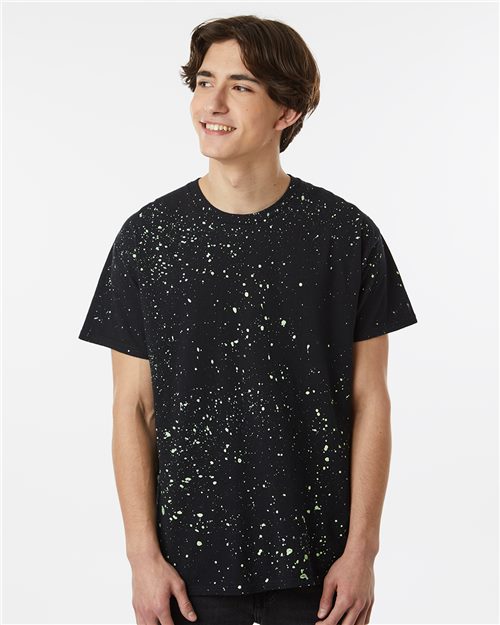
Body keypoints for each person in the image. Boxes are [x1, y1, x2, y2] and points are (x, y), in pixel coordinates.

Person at [78, 14, 418, 625]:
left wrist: (362, 553)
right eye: (204, 81)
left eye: (240, 86)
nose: (212, 104)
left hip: (321, 571)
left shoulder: (347, 236)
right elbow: (133, 408)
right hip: (186, 574)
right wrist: (142, 559)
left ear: (287, 111)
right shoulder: (148, 239)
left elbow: (371, 400)